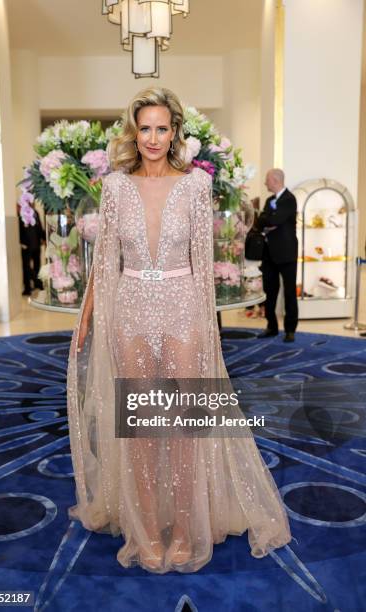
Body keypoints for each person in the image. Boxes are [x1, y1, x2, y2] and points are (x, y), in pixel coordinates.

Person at [67, 87, 291, 573]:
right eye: (144, 127)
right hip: (128, 309)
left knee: (187, 426)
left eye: (161, 128)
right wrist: (87, 318)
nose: (152, 137)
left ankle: (187, 528)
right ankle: (148, 528)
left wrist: (209, 332)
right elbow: (104, 260)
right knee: (142, 429)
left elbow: (202, 262)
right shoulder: (114, 187)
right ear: (134, 132)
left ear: (175, 133)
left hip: (183, 307)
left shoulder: (194, 186)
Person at [257, 169, 298, 342]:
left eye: (267, 180)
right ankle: (271, 326)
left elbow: (274, 220)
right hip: (269, 255)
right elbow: (260, 222)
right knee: (269, 292)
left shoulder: (289, 199)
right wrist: (268, 220)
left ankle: (290, 330)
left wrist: (269, 220)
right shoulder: (269, 200)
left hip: (287, 254)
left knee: (289, 293)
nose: (265, 183)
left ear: (275, 180)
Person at [18, 203, 45, 295]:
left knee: (37, 266)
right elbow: (20, 229)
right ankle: (28, 288)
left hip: (36, 244)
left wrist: (43, 239)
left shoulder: (36, 213)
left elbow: (39, 227)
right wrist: (22, 242)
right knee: (26, 267)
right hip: (26, 245)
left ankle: (37, 285)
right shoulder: (22, 214)